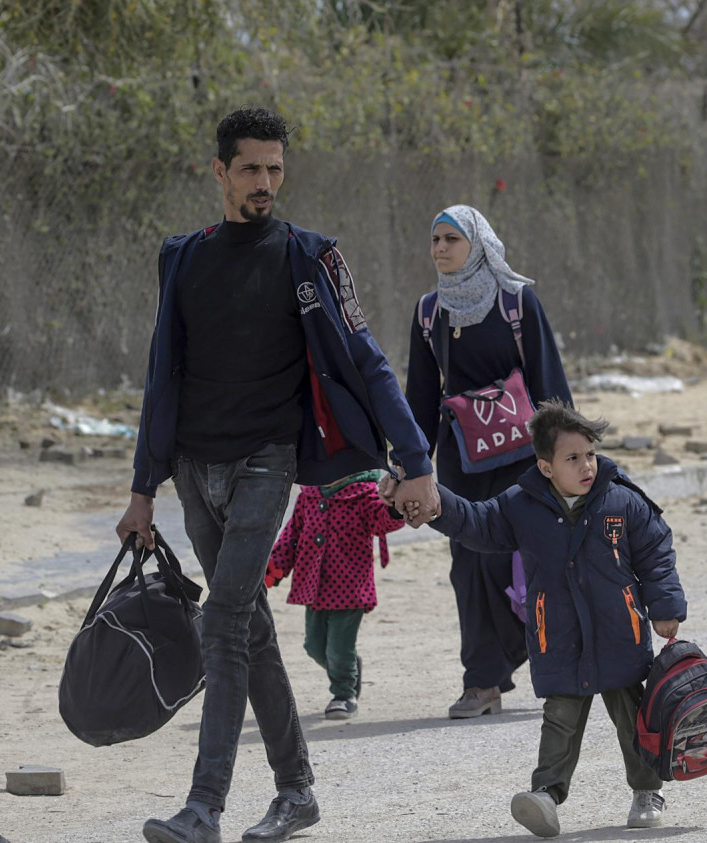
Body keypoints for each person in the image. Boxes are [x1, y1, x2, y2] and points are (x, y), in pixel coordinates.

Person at [116, 107, 440, 843]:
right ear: (220, 171)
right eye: (252, 169)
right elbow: (160, 374)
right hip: (196, 471)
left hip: (269, 462)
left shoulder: (312, 255)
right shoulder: (183, 258)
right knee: (249, 624)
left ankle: (204, 806)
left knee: (225, 618)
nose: (266, 182)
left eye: (276, 169)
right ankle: (297, 791)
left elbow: (367, 358)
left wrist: (415, 461)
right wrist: (144, 487)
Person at [414, 399, 686, 837]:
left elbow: (657, 552)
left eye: (590, 455)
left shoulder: (622, 499)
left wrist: (666, 607)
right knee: (559, 719)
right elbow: (478, 523)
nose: (586, 466)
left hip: (621, 632)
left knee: (634, 717)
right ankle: (545, 796)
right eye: (572, 458)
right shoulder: (520, 506)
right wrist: (435, 501)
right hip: (557, 637)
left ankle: (646, 791)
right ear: (545, 467)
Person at [401, 204, 573, 719]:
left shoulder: (517, 302)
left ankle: (550, 663)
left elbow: (550, 384)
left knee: (525, 560)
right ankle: (482, 681)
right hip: (460, 461)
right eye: (435, 240)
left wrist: (567, 459)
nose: (440, 249)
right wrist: (411, 466)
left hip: (522, 458)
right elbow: (420, 396)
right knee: (468, 565)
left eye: (451, 239)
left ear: (476, 244)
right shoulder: (430, 312)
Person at [264, 471, 406, 719]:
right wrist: (272, 570)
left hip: (350, 589)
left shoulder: (365, 494)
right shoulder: (309, 495)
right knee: (314, 646)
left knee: (338, 649)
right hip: (314, 587)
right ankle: (350, 670)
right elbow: (291, 537)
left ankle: (344, 694)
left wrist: (393, 506)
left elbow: (384, 521)